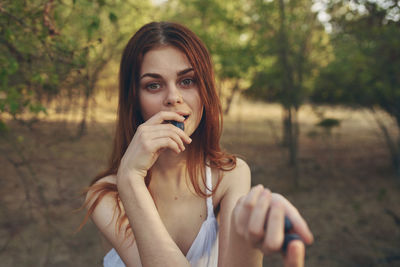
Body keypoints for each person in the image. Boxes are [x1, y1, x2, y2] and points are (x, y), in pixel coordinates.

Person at [81, 21, 313, 267]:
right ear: (134, 99)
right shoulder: (105, 195)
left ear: (205, 91)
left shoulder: (230, 176)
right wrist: (130, 178)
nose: (173, 98)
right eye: (153, 85)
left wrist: (250, 237)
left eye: (187, 81)